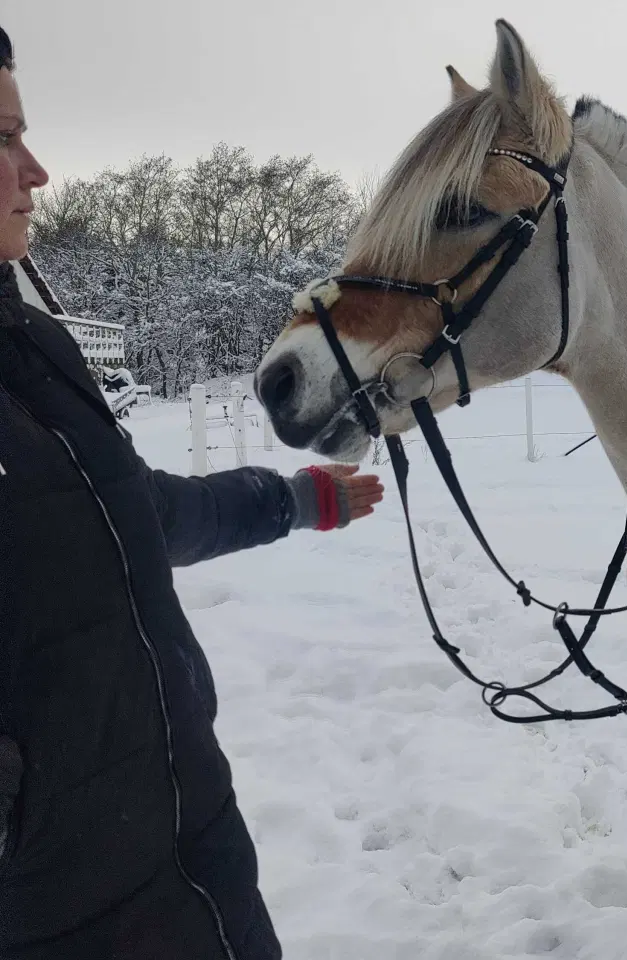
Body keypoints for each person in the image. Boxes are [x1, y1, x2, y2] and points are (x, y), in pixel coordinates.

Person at [0, 26, 383, 959]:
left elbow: (138, 515)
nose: (37, 170)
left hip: (195, 860)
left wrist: (293, 500)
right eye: (4, 138)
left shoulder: (36, 354)